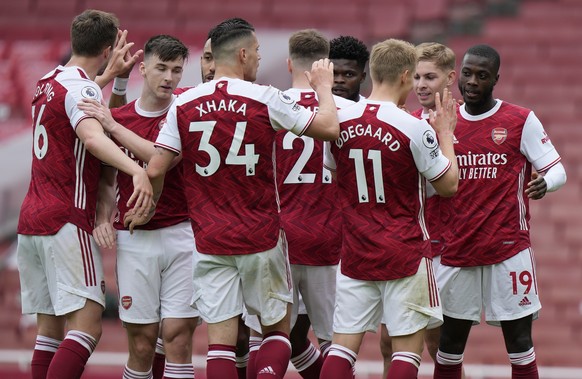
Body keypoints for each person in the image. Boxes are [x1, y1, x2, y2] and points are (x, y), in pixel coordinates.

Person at [125, 17, 340, 379]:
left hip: (209, 240)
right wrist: (325, 90)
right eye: (256, 51)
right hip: (261, 236)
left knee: (220, 343)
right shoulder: (266, 97)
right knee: (276, 332)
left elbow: (157, 166)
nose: (258, 58)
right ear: (242, 54)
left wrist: (147, 209)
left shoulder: (185, 103)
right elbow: (329, 128)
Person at [15, 9, 153, 379]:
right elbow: (93, 137)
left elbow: (76, 100)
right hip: (66, 219)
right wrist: (137, 169)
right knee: (88, 327)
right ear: (107, 49)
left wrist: (108, 79)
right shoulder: (82, 88)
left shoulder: (47, 80)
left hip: (31, 221)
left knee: (49, 334)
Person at [319, 38, 459, 379]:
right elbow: (448, 185)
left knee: (341, 348)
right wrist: (444, 134)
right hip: (404, 252)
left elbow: (335, 172)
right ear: (406, 76)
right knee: (405, 352)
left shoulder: (338, 121)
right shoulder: (413, 127)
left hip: (355, 251)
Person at [433, 44, 567, 379]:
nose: (473, 81)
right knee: (448, 348)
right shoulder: (441, 120)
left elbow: (557, 170)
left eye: (482, 75)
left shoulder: (520, 119)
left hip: (508, 250)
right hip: (455, 250)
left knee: (520, 345)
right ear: (458, 75)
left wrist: (546, 184)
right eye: (467, 73)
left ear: (496, 78)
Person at [79, 35, 199, 379]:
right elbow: (105, 180)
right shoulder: (121, 115)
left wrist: (112, 125)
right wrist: (103, 217)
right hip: (135, 239)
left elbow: (161, 160)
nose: (169, 78)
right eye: (161, 68)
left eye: (177, 70)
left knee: (177, 339)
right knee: (143, 344)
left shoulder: (184, 111)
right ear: (143, 69)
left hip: (183, 234)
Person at [378, 41, 460, 378]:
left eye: (430, 77)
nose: (421, 84)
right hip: (408, 245)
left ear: (449, 78)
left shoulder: (463, 123)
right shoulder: (404, 122)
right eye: (416, 77)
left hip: (450, 250)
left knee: (442, 348)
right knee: (388, 341)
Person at [329, 35, 369, 102]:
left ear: (362, 77)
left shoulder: (372, 111)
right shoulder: (308, 110)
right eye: (333, 73)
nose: (339, 80)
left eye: (349, 74)